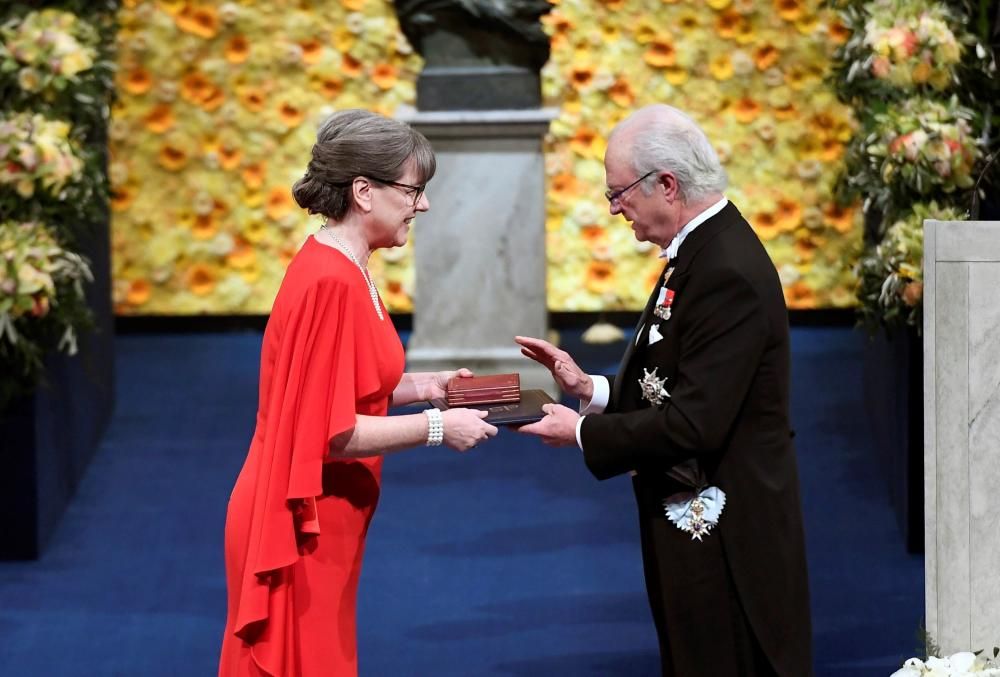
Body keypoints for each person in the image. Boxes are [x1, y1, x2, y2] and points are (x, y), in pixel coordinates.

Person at [516, 104, 812, 676]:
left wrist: (581, 431)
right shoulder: (702, 249)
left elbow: (695, 422)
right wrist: (592, 388)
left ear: (667, 185)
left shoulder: (725, 267)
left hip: (728, 535)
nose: (613, 208)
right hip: (694, 512)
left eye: (618, 192)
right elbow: (677, 378)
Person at [218, 109, 498, 677]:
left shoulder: (346, 264)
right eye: (414, 191)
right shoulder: (330, 281)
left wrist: (427, 389)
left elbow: (339, 389)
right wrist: (439, 428)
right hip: (298, 524)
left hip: (328, 518)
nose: (422, 205)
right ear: (364, 192)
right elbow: (331, 432)